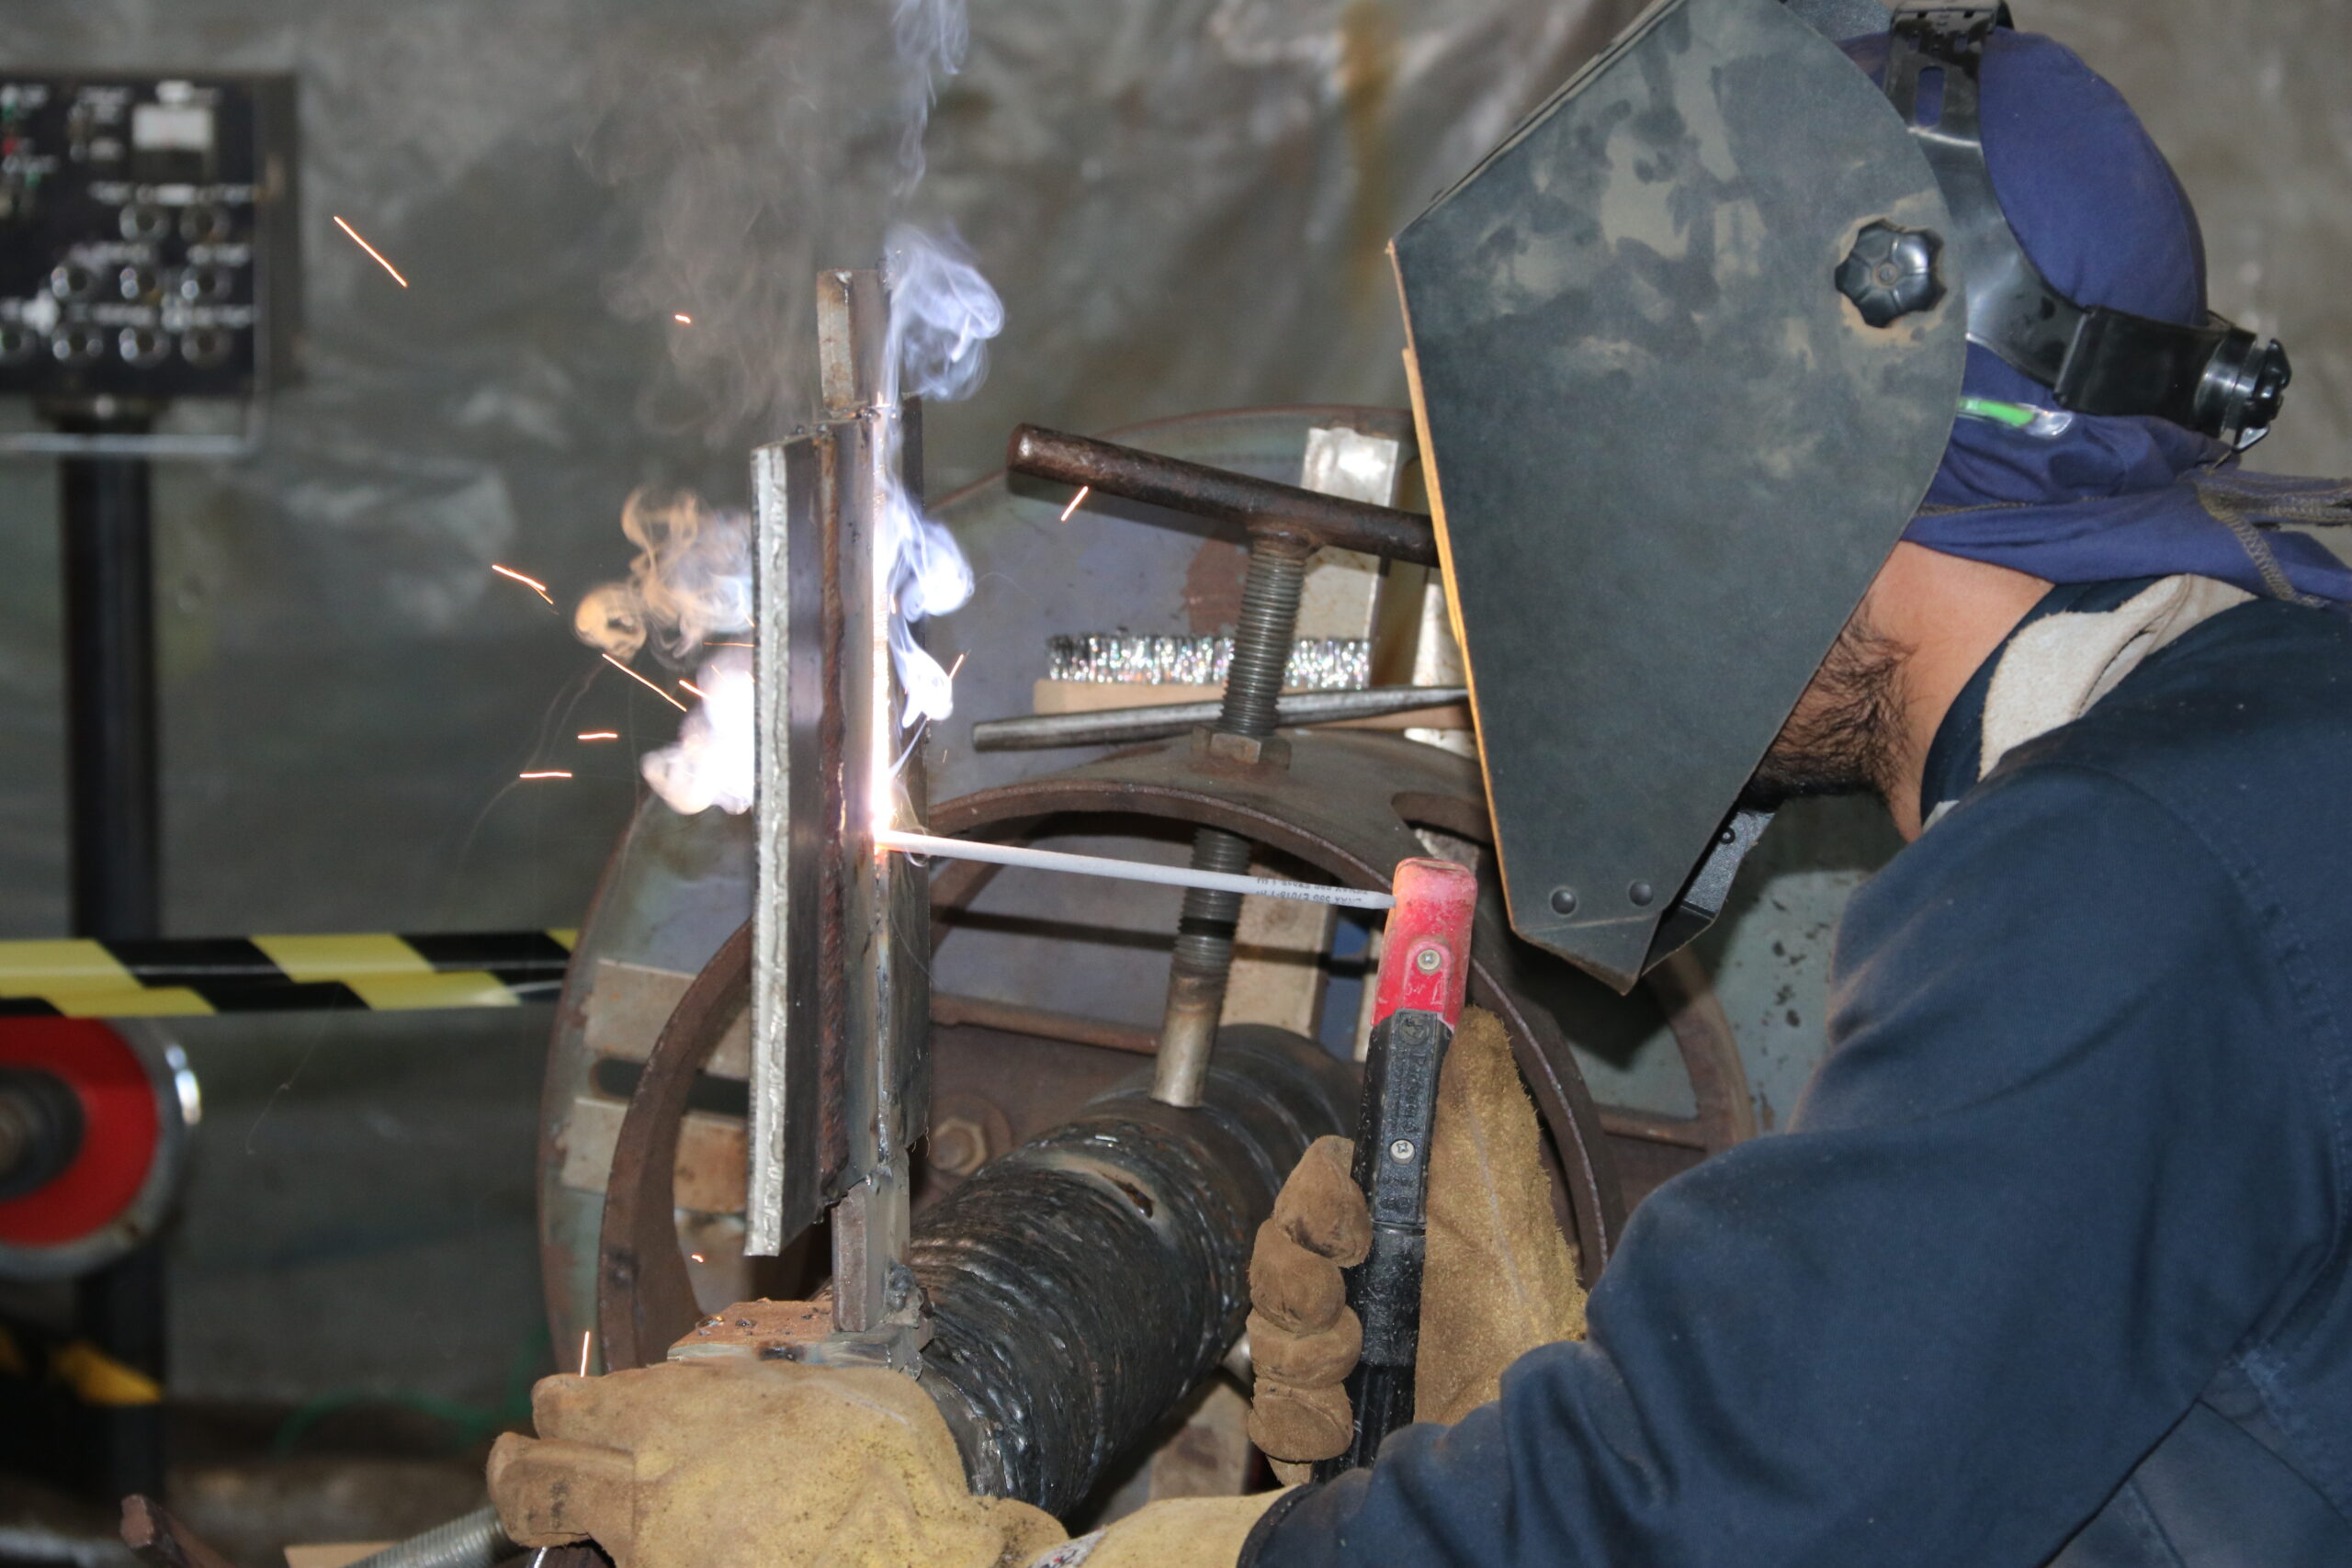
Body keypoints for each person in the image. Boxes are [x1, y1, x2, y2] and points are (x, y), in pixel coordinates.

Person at [486, 13, 2352, 1567]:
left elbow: (1699, 1528)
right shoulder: (2244, 744)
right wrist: (1578, 1369)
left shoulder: (2109, 885)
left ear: (1793, 467)